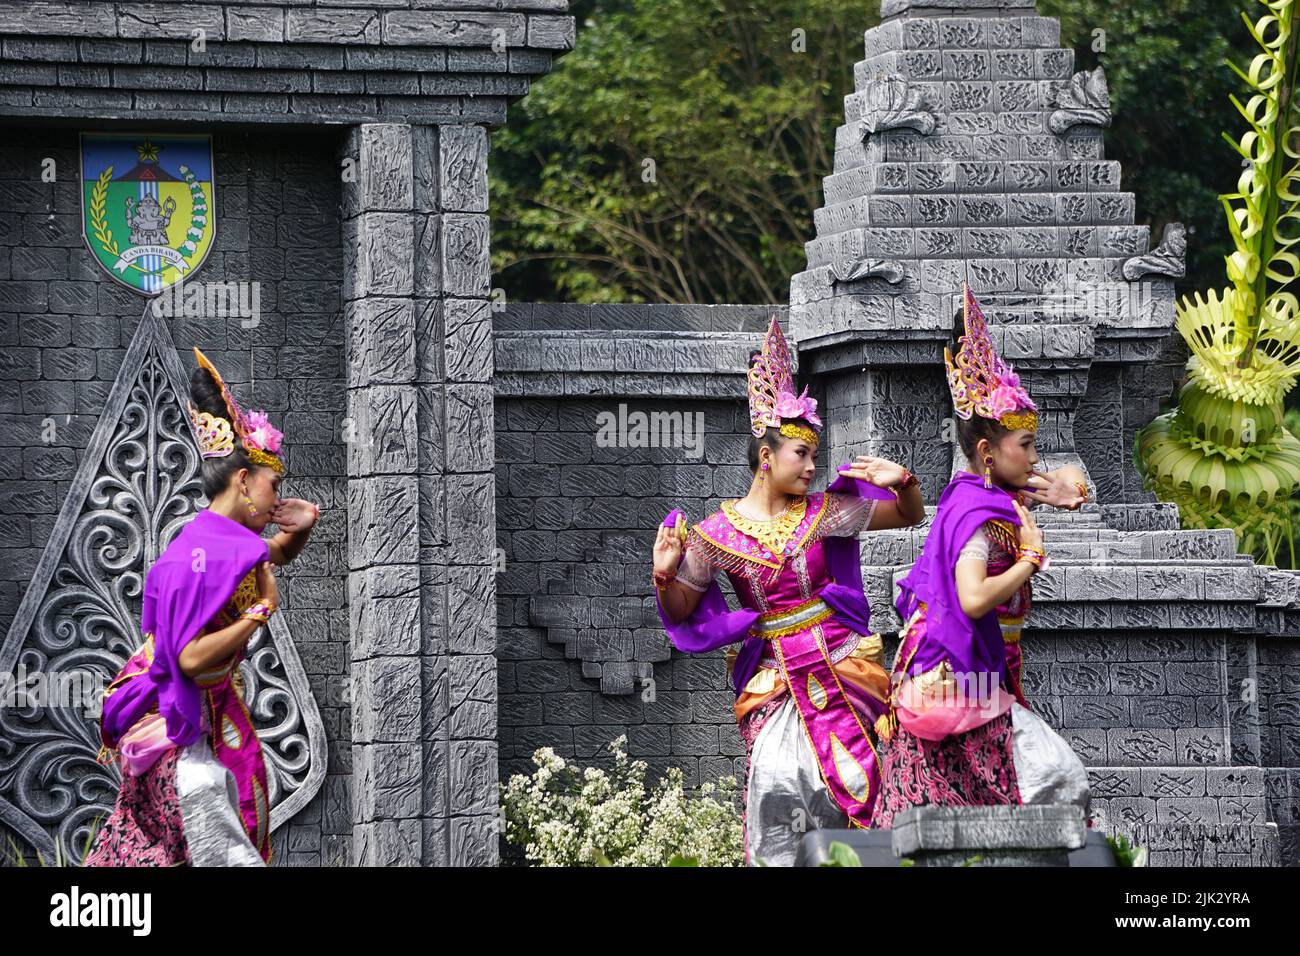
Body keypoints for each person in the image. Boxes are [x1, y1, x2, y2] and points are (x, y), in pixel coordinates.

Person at [652, 316, 925, 866]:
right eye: (801, 453)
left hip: (844, 667)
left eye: (814, 455)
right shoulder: (715, 536)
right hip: (775, 679)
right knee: (776, 787)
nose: (811, 466)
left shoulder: (827, 513)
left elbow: (905, 517)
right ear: (766, 456)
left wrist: (907, 482)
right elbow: (683, 611)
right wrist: (663, 575)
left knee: (867, 786)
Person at [83, 348, 321, 866]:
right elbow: (190, 658)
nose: (278, 495)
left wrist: (299, 530)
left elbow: (269, 553)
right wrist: (261, 614)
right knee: (207, 842)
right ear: (242, 482)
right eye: (272, 485)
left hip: (208, 706)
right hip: (177, 715)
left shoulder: (219, 538)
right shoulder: (211, 550)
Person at [871, 285, 1091, 828]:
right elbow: (971, 599)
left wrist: (1054, 484)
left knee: (976, 813)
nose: (1037, 457)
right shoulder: (981, 519)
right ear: (990, 453)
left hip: (976, 672)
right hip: (955, 679)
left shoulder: (980, 493)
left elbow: (1060, 485)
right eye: (1028, 447)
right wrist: (1029, 561)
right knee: (1055, 778)